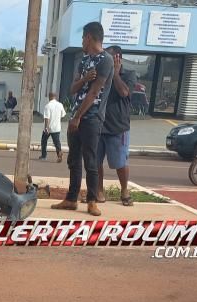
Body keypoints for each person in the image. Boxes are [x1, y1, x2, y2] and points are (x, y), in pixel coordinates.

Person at [51, 21, 114, 217]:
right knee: (73, 160)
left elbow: (94, 93)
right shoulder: (84, 60)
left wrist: (77, 117)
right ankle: (71, 199)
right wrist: (84, 79)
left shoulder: (106, 60)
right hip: (75, 118)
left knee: (91, 161)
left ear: (89, 37)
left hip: (91, 118)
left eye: (82, 38)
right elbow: (72, 89)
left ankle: (92, 201)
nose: (81, 42)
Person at [91, 45, 137, 206]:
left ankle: (124, 190)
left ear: (118, 59)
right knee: (95, 162)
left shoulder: (129, 75)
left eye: (109, 58)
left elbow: (124, 92)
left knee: (120, 163)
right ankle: (99, 191)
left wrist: (115, 74)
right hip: (99, 125)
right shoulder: (101, 74)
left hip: (118, 128)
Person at [40, 92, 66, 162]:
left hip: (49, 127)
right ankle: (59, 153)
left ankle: (44, 155)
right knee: (57, 142)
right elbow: (63, 115)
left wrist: (46, 127)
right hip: (57, 127)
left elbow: (47, 118)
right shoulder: (60, 105)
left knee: (44, 141)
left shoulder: (48, 106)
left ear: (49, 97)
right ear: (56, 97)